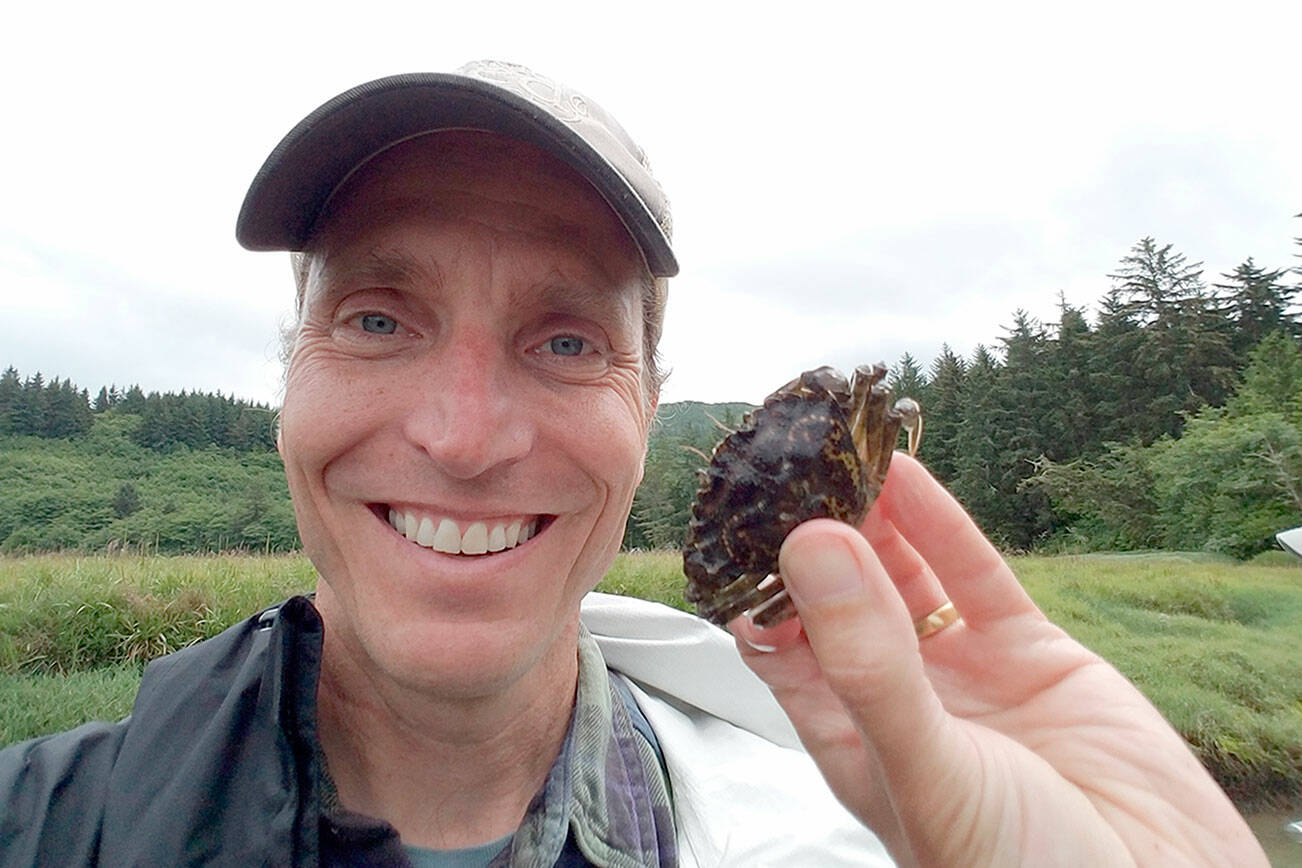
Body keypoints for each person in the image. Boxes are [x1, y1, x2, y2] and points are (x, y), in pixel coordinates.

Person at [0, 60, 1267, 867]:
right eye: (377, 319)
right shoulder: (41, 826)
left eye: (566, 340)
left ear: (650, 408)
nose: (464, 436)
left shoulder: (834, 840)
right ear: (291, 373)